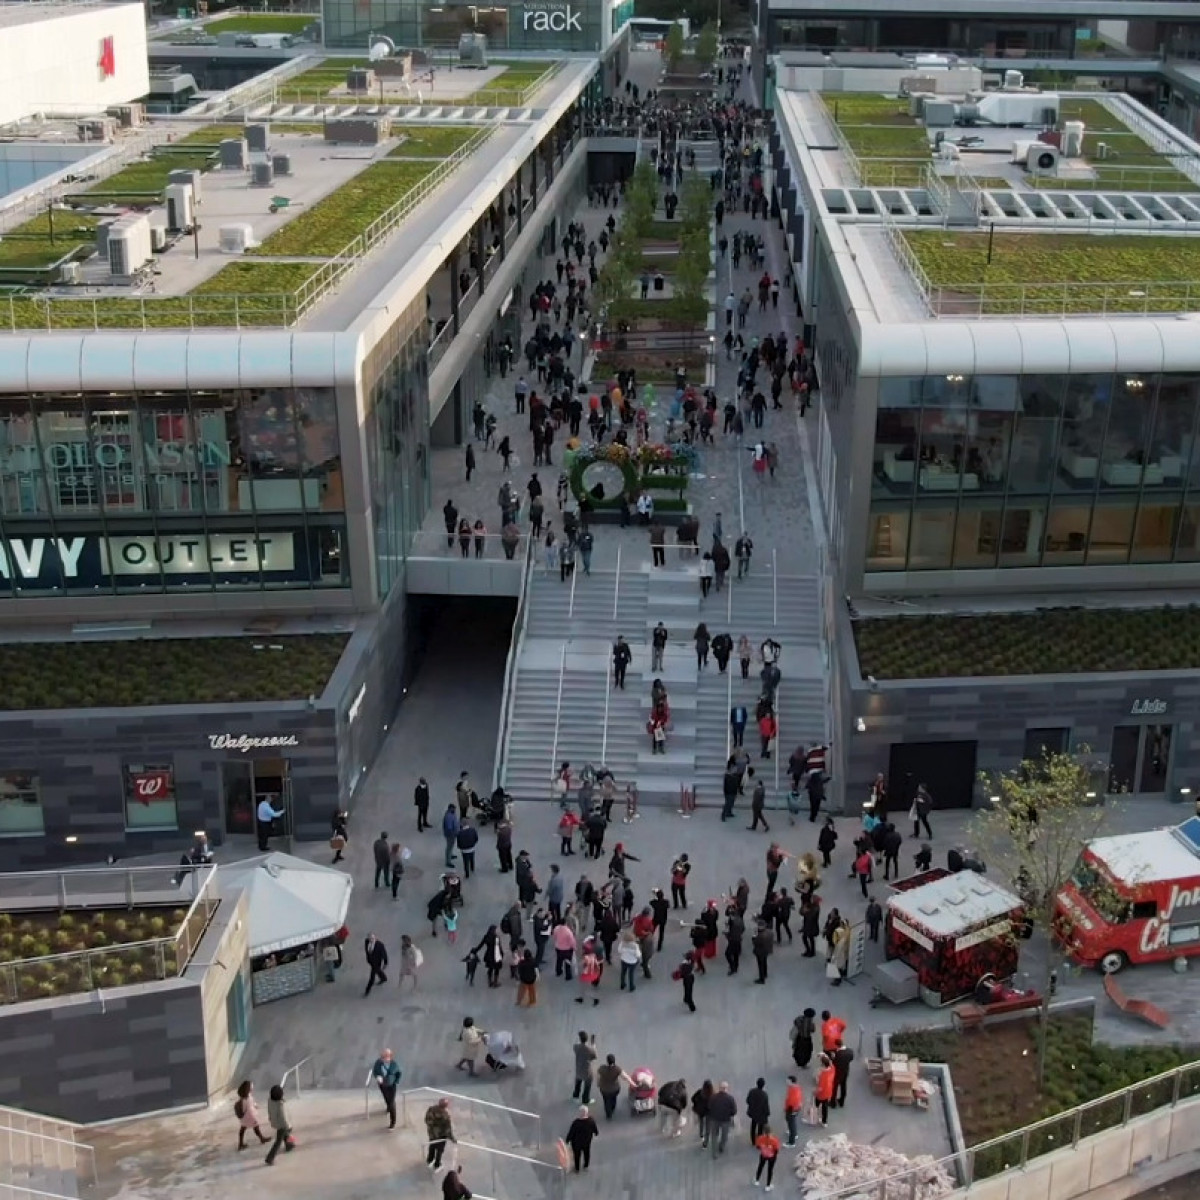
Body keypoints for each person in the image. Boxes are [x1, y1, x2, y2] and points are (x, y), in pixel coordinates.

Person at [263, 1084, 294, 1165]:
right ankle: (270, 1158)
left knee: (285, 1135)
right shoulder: (280, 1104)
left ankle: (290, 1145)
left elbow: (269, 1110)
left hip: (275, 1121)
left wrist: (270, 1117)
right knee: (278, 1141)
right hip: (282, 1124)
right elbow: (283, 1117)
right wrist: (288, 1125)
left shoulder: (270, 1100)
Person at [371, 1048, 402, 1129]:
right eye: (383, 1056)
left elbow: (399, 1073)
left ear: (390, 1056)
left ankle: (393, 1122)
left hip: (391, 1085)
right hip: (382, 1085)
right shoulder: (378, 1063)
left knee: (392, 1103)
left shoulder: (394, 1064)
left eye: (387, 1056)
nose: (385, 1058)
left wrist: (396, 1082)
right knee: (386, 1098)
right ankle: (388, 1107)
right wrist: (377, 1076)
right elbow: (375, 1071)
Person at [234, 1080, 269, 1150]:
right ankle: (262, 1139)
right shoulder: (247, 1098)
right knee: (256, 1127)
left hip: (245, 1117)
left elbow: (247, 1106)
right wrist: (255, 1107)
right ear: (248, 1088)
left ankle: (241, 1144)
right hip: (250, 1116)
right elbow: (249, 1106)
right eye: (251, 1086)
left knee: (243, 1129)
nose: (252, 1087)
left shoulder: (244, 1097)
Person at [707, 1082, 737, 1158]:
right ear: (726, 1089)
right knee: (724, 1136)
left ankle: (714, 1153)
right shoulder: (730, 1098)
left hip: (714, 1119)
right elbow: (734, 1111)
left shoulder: (713, 1097)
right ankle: (721, 1146)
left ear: (719, 1088)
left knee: (714, 1136)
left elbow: (709, 1107)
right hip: (725, 1120)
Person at [565, 1105, 599, 1172]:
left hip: (576, 1143)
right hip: (587, 1142)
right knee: (587, 1153)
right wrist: (595, 1133)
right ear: (587, 1112)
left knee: (577, 1155)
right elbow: (595, 1130)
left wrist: (567, 1140)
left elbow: (571, 1133)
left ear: (580, 1113)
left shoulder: (576, 1123)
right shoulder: (591, 1121)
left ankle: (577, 1168)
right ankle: (586, 1165)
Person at [425, 1098, 456, 1169]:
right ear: (446, 1106)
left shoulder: (431, 1109)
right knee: (440, 1150)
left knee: (432, 1146)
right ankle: (437, 1164)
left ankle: (430, 1159)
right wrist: (452, 1139)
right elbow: (448, 1130)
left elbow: (427, 1120)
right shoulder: (446, 1115)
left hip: (432, 1134)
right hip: (441, 1135)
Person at [596, 1055, 630, 1120]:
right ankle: (613, 1108)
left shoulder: (602, 1068)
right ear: (614, 1061)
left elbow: (597, 1077)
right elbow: (626, 1077)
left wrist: (598, 1083)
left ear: (607, 1061)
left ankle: (608, 1115)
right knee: (613, 1098)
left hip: (604, 1089)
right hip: (615, 1089)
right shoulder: (617, 1069)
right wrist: (634, 1084)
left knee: (606, 1101)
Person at [754, 1124, 782, 1191]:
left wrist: (763, 1149)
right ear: (771, 1132)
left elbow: (757, 1146)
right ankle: (768, 1185)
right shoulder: (774, 1140)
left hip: (763, 1155)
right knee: (770, 1170)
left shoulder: (760, 1138)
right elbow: (777, 1150)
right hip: (771, 1157)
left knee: (760, 1166)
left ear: (763, 1131)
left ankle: (757, 1180)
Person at [573, 1031, 597, 1103]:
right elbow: (594, 1056)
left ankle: (576, 1096)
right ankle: (585, 1099)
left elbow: (578, 1046)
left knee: (578, 1082)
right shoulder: (590, 1049)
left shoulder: (576, 1046)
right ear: (587, 1039)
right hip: (587, 1071)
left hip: (578, 1069)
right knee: (587, 1085)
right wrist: (593, 1043)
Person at [746, 1077, 770, 1146]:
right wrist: (767, 1113)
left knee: (753, 1126)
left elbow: (747, 1101)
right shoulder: (764, 1094)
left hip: (753, 1113)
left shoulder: (752, 1091)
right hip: (761, 1114)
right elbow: (766, 1106)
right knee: (760, 1128)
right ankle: (759, 1142)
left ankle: (753, 1141)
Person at [832, 1040, 856, 1109]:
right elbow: (851, 1059)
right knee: (843, 1086)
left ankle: (833, 1102)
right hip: (845, 1071)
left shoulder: (838, 1054)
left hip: (838, 1072)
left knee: (835, 1087)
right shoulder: (850, 1051)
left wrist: (833, 1057)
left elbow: (834, 1063)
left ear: (837, 1045)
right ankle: (842, 1101)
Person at [815, 1055, 835, 1126]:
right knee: (825, 1107)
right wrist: (824, 1056)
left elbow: (820, 1088)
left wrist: (815, 1092)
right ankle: (824, 1121)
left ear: (823, 1065)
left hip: (821, 1094)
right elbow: (831, 1063)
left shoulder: (823, 1075)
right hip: (829, 1091)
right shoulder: (832, 1069)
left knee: (817, 1104)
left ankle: (815, 1116)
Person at [783, 1076, 803, 1147]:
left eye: (788, 1081)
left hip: (792, 1109)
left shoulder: (793, 1091)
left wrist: (790, 1110)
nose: (786, 1082)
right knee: (789, 1120)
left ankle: (792, 1142)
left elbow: (793, 1102)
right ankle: (793, 1133)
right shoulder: (794, 1088)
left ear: (791, 1081)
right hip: (792, 1108)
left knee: (791, 1123)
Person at [442, 805, 460, 869]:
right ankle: (448, 862)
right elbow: (449, 828)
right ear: (450, 809)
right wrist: (453, 834)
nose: (455, 810)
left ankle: (451, 855)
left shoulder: (452, 814)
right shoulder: (449, 816)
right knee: (449, 847)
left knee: (451, 846)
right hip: (450, 835)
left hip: (453, 834)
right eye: (454, 809)